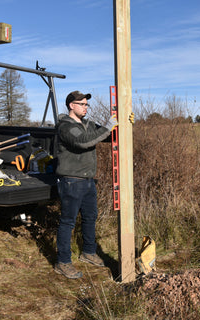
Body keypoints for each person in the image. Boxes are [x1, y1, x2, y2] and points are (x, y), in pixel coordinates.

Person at [54, 90, 118, 279]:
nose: (85, 107)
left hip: (88, 180)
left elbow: (104, 135)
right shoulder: (65, 126)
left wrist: (122, 126)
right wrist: (108, 126)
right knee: (68, 221)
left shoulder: (88, 124)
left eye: (86, 104)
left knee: (90, 217)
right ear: (71, 106)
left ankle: (88, 252)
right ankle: (63, 262)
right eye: (82, 104)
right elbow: (84, 142)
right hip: (72, 180)